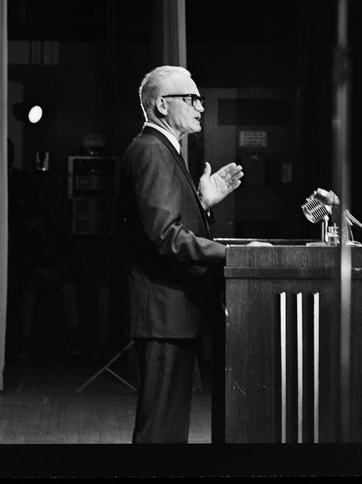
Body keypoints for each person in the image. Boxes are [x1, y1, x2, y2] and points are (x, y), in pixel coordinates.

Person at [120, 65, 243, 443]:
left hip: (173, 312)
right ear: (160, 105)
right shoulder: (152, 151)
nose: (201, 107)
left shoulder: (161, 149)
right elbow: (165, 236)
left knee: (168, 431)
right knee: (160, 430)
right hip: (163, 312)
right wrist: (234, 256)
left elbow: (167, 225)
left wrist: (203, 202)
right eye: (191, 99)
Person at [6, 139, 81, 357]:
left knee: (68, 287)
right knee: (27, 292)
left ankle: (73, 336)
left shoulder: (54, 234)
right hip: (32, 272)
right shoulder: (27, 238)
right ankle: (25, 340)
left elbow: (66, 259)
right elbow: (26, 262)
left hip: (52, 273)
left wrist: (53, 272)